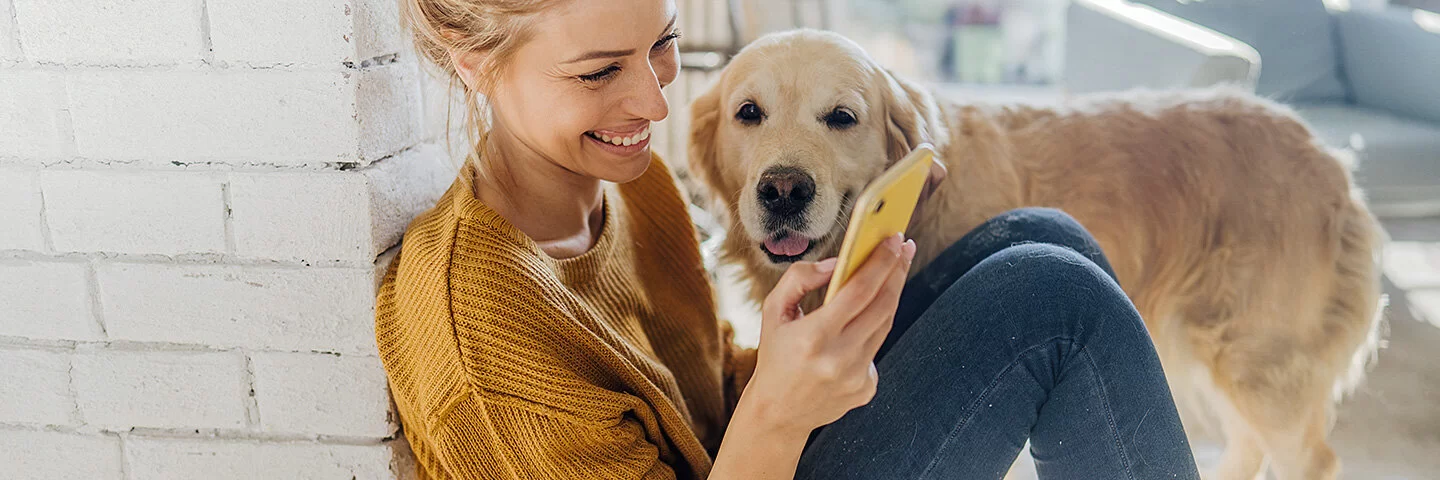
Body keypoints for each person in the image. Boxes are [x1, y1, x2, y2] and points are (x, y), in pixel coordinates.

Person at [375, 0, 1203, 478]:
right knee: (1051, 300)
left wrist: (795, 354)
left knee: (1035, 239)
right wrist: (778, 407)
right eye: (599, 72)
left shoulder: (626, 185)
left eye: (660, 46)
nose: (656, 107)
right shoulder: (483, 333)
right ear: (472, 60)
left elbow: (695, 390)